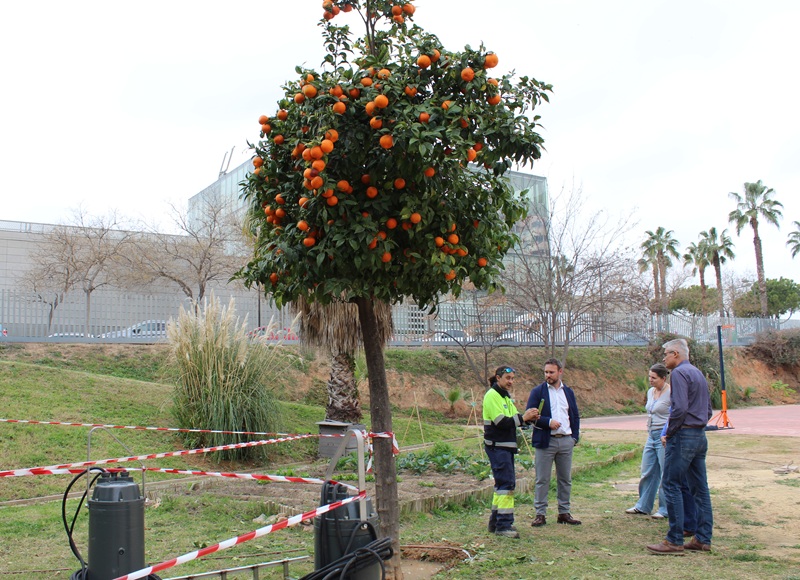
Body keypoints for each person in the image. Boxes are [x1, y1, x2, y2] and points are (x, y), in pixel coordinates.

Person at [647, 338, 714, 555]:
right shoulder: (697, 373)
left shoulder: (679, 374)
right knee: (700, 488)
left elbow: (679, 408)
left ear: (676, 353)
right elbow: (708, 409)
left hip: (683, 436)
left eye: (666, 353)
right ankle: (703, 538)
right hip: (699, 436)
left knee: (671, 484)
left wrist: (670, 432)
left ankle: (674, 540)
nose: (664, 357)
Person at [483, 366, 539, 538]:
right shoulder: (492, 396)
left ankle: (495, 523)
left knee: (501, 486)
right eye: (508, 378)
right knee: (506, 485)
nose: (510, 382)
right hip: (497, 446)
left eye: (513, 378)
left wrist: (528, 419)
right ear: (498, 378)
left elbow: (515, 419)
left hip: (504, 446)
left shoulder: (505, 397)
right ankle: (504, 526)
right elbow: (501, 422)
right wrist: (524, 418)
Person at [526, 358, 582, 527]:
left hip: (565, 441)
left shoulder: (568, 392)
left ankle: (564, 512)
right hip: (546, 441)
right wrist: (547, 422)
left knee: (565, 479)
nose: (548, 375)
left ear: (560, 372)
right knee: (542, 479)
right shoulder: (538, 392)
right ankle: (540, 514)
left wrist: (574, 437)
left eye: (551, 372)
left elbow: (575, 416)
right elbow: (530, 416)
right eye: (546, 372)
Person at [626, 363, 670, 518]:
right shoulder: (651, 392)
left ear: (663, 378)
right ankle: (643, 505)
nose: (651, 380)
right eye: (649, 377)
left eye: (654, 378)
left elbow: (674, 414)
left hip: (664, 436)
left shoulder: (671, 392)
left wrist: (667, 433)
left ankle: (665, 509)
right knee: (648, 470)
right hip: (651, 435)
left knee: (665, 473)